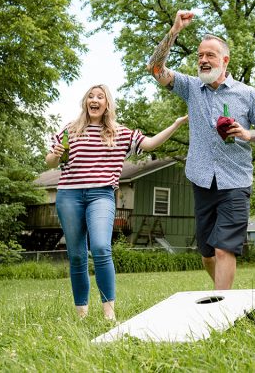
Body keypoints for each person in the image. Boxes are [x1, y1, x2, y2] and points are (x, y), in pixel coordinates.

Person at [146, 10, 255, 290]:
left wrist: (247, 133)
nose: (203, 61)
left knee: (223, 249)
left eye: (210, 56)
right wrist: (174, 31)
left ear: (225, 60)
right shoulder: (191, 88)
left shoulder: (247, 93)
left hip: (236, 181)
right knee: (207, 255)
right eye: (200, 56)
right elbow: (156, 70)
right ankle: (226, 295)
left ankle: (222, 307)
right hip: (202, 179)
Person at [45, 84, 188, 320]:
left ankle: (109, 314)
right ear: (85, 102)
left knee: (101, 247)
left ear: (107, 104)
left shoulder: (120, 133)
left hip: (101, 194)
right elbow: (51, 161)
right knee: (78, 255)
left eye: (100, 96)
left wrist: (175, 124)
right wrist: (56, 153)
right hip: (69, 195)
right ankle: (81, 314)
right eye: (90, 96)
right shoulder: (71, 129)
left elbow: (150, 144)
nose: (94, 99)